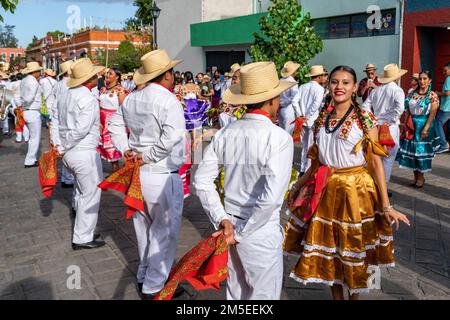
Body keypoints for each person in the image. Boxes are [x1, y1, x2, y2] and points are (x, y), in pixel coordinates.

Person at [285, 65, 410, 300]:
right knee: (330, 250)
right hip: (327, 191)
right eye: (334, 82)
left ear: (354, 87)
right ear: (328, 85)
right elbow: (316, 164)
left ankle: (355, 297)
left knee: (354, 249)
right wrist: (297, 186)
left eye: (345, 82)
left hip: (356, 191)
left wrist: (386, 206)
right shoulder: (322, 119)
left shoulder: (364, 119)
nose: (339, 87)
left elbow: (375, 164)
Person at [194, 61, 295, 300]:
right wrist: (239, 232)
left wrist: (221, 219)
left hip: (231, 220)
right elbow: (270, 199)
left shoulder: (227, 132)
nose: (279, 102)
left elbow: (202, 181)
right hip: (258, 229)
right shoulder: (278, 138)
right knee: (262, 296)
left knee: (237, 292)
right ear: (271, 101)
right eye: (277, 98)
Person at [108, 49, 186, 300]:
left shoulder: (132, 98)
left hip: (138, 170)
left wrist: (127, 149)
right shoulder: (168, 100)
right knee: (164, 231)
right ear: (166, 75)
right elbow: (172, 137)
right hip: (161, 172)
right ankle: (155, 284)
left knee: (143, 227)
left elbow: (114, 124)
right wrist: (148, 155)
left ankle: (145, 273)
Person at [50, 58, 105, 250]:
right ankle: (82, 237)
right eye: (95, 75)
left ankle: (84, 229)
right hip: (82, 151)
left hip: (69, 152)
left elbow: (55, 121)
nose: (98, 77)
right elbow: (81, 129)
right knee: (90, 194)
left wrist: (58, 144)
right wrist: (63, 145)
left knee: (82, 192)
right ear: (88, 79)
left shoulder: (65, 94)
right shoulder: (88, 98)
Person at [362, 64, 407, 189]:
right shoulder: (397, 90)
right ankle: (382, 188)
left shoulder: (377, 90)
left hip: (376, 127)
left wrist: (373, 121)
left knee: (376, 158)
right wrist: (391, 120)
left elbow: (364, 107)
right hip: (389, 127)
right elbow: (400, 108)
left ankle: (373, 186)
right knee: (388, 158)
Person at [396, 71, 441, 188]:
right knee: (412, 152)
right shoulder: (412, 94)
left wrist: (426, 128)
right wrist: (405, 125)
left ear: (429, 80)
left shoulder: (432, 95)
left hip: (424, 125)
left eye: (425, 79)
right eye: (420, 79)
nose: (422, 81)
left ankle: (421, 177)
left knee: (420, 152)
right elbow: (407, 111)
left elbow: (432, 114)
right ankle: (415, 177)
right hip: (412, 126)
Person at [291, 65, 327, 174]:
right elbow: (316, 105)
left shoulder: (302, 87)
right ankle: (307, 169)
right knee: (310, 145)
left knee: (304, 145)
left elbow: (294, 101)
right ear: (319, 77)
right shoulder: (320, 89)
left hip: (303, 120)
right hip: (311, 120)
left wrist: (300, 115)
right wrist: (307, 116)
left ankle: (303, 167)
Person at [98, 68, 129, 172]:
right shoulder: (103, 89)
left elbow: (124, 108)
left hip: (114, 119)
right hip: (102, 120)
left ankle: (122, 172)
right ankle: (114, 170)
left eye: (110, 74)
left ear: (117, 77)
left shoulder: (121, 90)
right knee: (105, 146)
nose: (107, 75)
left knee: (115, 146)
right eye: (107, 73)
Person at [53, 60, 76, 190]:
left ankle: (65, 177)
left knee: (64, 145)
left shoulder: (58, 84)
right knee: (69, 146)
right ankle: (68, 178)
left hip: (60, 115)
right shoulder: (69, 84)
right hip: (68, 115)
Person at [20, 62, 43, 168]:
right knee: (35, 137)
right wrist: (26, 102)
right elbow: (29, 98)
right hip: (32, 110)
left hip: (26, 110)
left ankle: (31, 159)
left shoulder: (24, 80)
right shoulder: (33, 82)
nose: (40, 73)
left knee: (31, 137)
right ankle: (30, 160)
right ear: (35, 72)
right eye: (39, 71)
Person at [278, 61, 300, 134]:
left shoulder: (280, 81)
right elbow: (294, 98)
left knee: (281, 130)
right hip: (288, 109)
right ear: (293, 72)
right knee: (288, 131)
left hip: (280, 109)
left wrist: (280, 104)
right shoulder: (292, 82)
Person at [435, 63, 450, 153]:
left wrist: (437, 93)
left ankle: (443, 145)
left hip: (446, 107)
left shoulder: (448, 79)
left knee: (437, 123)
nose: (443, 72)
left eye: (446, 70)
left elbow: (447, 93)